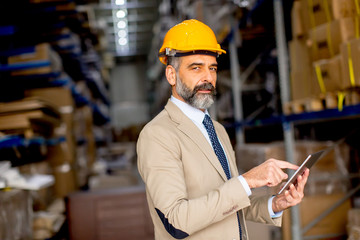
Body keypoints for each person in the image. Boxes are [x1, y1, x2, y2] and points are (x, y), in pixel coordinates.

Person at [137, 19, 309, 240]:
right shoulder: (158, 135)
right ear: (171, 75)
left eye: (213, 68)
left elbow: (230, 204)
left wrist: (275, 203)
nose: (208, 77)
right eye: (196, 68)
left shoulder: (216, 130)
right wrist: (246, 181)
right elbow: (176, 221)